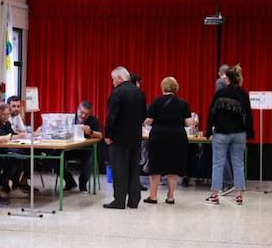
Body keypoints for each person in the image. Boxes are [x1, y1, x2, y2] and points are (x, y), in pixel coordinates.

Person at [143, 77, 197, 205]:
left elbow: (148, 121)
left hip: (158, 135)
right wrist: (195, 121)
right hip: (177, 137)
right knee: (173, 167)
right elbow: (189, 123)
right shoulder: (183, 103)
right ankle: (171, 197)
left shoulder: (156, 102)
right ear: (176, 88)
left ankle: (153, 196)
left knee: (155, 166)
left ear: (163, 87)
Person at [206, 64, 253, 205]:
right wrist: (250, 132)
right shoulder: (243, 94)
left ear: (227, 79)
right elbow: (248, 116)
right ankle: (238, 195)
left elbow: (211, 113)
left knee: (218, 164)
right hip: (239, 134)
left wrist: (209, 131)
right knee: (238, 164)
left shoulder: (219, 94)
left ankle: (215, 195)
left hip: (221, 133)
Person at [104, 66, 146, 210]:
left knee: (119, 169)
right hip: (135, 137)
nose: (113, 83)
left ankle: (119, 200)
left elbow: (111, 117)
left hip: (119, 138)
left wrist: (108, 135)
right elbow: (143, 116)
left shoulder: (117, 93)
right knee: (134, 169)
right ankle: (134, 200)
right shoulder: (139, 93)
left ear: (120, 78)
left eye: (113, 80)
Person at [62, 100, 103, 192]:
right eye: (82, 113)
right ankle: (70, 181)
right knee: (54, 158)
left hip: (86, 150)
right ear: (77, 110)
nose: (83, 116)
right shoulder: (69, 119)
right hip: (69, 149)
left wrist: (90, 132)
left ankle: (83, 183)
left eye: (87, 114)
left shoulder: (93, 120)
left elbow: (100, 136)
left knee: (89, 160)